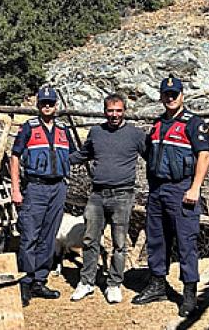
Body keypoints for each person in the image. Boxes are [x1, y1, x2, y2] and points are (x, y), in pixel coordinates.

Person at [132, 75, 209, 317]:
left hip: (182, 188)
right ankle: (157, 283)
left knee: (186, 241)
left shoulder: (193, 123)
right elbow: (150, 153)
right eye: (166, 94)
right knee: (157, 238)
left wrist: (195, 187)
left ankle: (189, 294)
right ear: (161, 96)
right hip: (157, 189)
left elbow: (204, 156)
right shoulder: (157, 124)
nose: (170, 98)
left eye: (174, 94)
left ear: (182, 95)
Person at [69, 93, 146, 304]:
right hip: (97, 194)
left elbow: (152, 158)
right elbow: (82, 155)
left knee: (119, 243)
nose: (114, 115)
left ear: (124, 111)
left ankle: (114, 284)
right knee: (90, 239)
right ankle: (86, 281)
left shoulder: (135, 135)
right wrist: (59, 158)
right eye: (110, 111)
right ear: (105, 112)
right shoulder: (96, 132)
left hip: (123, 195)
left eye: (118, 111)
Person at [10, 84, 76, 306]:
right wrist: (15, 189)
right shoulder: (29, 128)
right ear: (38, 105)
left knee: (49, 237)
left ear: (56, 105)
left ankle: (40, 280)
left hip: (58, 188)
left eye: (51, 103)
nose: (47, 106)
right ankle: (25, 282)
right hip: (35, 188)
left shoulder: (64, 130)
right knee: (30, 235)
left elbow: (75, 156)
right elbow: (15, 156)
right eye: (43, 103)